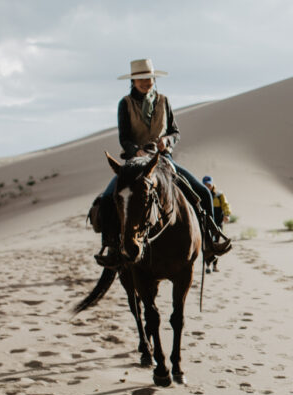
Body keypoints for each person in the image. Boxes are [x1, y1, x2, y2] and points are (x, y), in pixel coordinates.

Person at [90, 58, 230, 268]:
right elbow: (124, 137)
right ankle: (111, 248)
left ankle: (210, 242)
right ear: (133, 82)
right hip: (135, 162)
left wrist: (167, 141)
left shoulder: (164, 101)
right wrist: (134, 149)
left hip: (162, 160)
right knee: (110, 197)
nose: (146, 82)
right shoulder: (125, 104)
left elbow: (175, 132)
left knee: (202, 192)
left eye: (149, 78)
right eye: (141, 79)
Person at [202, 175, 231, 272]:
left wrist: (227, 214)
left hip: (218, 224)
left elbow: (226, 205)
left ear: (212, 184)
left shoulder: (219, 195)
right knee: (206, 244)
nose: (207, 186)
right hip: (206, 224)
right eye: (205, 185)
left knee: (216, 244)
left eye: (209, 184)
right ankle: (208, 265)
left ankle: (215, 265)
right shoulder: (202, 195)